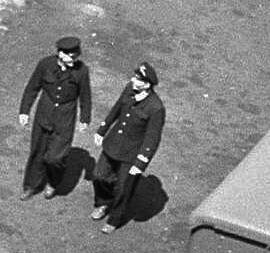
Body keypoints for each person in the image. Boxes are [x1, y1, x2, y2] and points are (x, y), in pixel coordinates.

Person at [92, 63, 165, 231]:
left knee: (123, 188)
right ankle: (103, 202)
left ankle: (114, 219)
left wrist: (140, 163)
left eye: (138, 79)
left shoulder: (155, 108)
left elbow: (152, 138)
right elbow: (116, 109)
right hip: (113, 143)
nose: (133, 80)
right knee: (98, 175)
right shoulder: (129, 90)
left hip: (131, 153)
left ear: (147, 85)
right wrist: (102, 130)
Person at [18, 36, 91, 196]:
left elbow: (85, 96)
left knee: (55, 158)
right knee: (37, 152)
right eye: (70, 56)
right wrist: (24, 111)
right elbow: (32, 88)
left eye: (76, 56)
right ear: (60, 54)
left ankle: (53, 181)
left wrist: (84, 119)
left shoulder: (82, 71)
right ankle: (31, 185)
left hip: (65, 119)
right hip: (44, 114)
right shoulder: (45, 64)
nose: (74, 59)